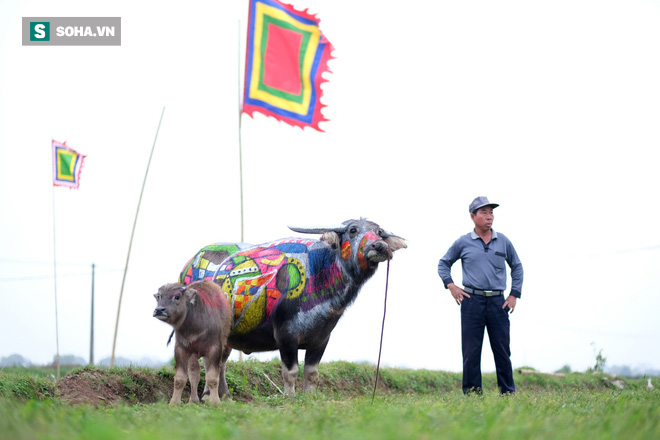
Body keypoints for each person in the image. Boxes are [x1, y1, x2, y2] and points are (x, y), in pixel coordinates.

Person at [437, 196, 523, 394]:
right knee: (471, 352)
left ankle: (508, 393)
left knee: (502, 350)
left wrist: (514, 294)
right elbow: (443, 263)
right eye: (484, 212)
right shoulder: (463, 242)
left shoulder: (503, 241)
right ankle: (473, 395)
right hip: (471, 302)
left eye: (491, 212)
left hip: (498, 303)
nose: (489, 216)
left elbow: (517, 267)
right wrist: (451, 286)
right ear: (473, 216)